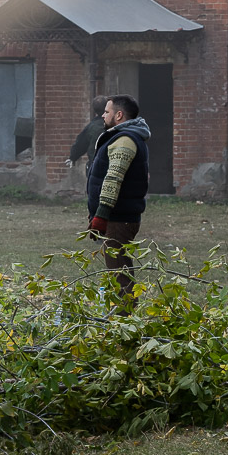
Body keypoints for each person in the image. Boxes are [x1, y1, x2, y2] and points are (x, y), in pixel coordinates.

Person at [85, 94, 151, 302]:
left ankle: (124, 323)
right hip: (115, 217)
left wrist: (101, 216)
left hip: (118, 219)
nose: (103, 115)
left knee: (120, 274)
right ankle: (122, 319)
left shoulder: (125, 140)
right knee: (118, 272)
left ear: (119, 115)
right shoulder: (121, 136)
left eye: (107, 112)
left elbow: (113, 179)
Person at [64, 95, 111, 167]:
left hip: (95, 165)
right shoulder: (115, 123)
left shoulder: (91, 127)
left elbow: (81, 143)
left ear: (94, 110)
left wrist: (73, 157)